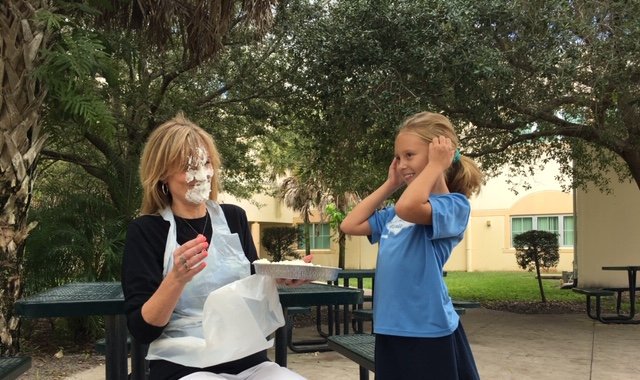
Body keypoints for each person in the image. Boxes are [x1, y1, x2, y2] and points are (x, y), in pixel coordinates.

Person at [122, 113, 306, 380]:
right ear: (162, 174)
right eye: (188, 165)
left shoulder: (234, 218)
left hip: (247, 359)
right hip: (183, 365)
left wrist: (277, 278)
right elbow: (142, 329)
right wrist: (176, 278)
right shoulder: (146, 231)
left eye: (205, 162)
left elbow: (251, 286)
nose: (200, 174)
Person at [340, 111, 483, 380]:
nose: (402, 163)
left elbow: (409, 207)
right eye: (398, 157)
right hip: (389, 326)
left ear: (438, 154)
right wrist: (390, 183)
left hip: (427, 329)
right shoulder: (395, 213)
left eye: (409, 155)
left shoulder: (453, 205)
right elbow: (350, 224)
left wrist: (436, 167)